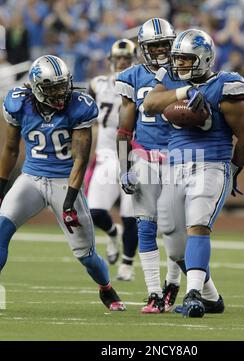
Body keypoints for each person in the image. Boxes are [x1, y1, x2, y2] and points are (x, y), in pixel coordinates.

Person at [144, 28, 244, 317]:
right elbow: (150, 104)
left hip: (211, 163)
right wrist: (185, 92)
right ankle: (211, 296)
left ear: (205, 59)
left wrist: (232, 169)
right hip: (175, 165)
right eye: (177, 59)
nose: (179, 65)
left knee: (197, 225)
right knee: (171, 234)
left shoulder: (226, 86)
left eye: (186, 60)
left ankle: (192, 293)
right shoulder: (170, 79)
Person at [0, 55, 125, 312]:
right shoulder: (18, 103)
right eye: (52, 88)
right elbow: (11, 148)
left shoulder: (79, 106)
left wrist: (69, 202)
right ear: (36, 88)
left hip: (65, 181)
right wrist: (1, 188)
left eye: (62, 85)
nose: (60, 93)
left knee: (86, 256)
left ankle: (106, 288)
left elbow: (81, 158)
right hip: (31, 179)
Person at [115, 18, 183, 313]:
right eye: (152, 46)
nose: (157, 52)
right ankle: (154, 292)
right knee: (145, 224)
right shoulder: (132, 76)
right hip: (145, 154)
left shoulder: (185, 73)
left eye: (163, 46)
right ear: (142, 48)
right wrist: (122, 165)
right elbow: (124, 129)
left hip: (180, 155)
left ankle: (172, 285)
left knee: (175, 228)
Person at [86, 39, 138, 281]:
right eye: (119, 59)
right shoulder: (97, 84)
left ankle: (127, 263)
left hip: (134, 155)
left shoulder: (141, 84)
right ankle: (112, 232)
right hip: (106, 154)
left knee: (131, 215)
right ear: (111, 61)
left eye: (127, 59)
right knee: (94, 211)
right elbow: (88, 121)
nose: (122, 63)